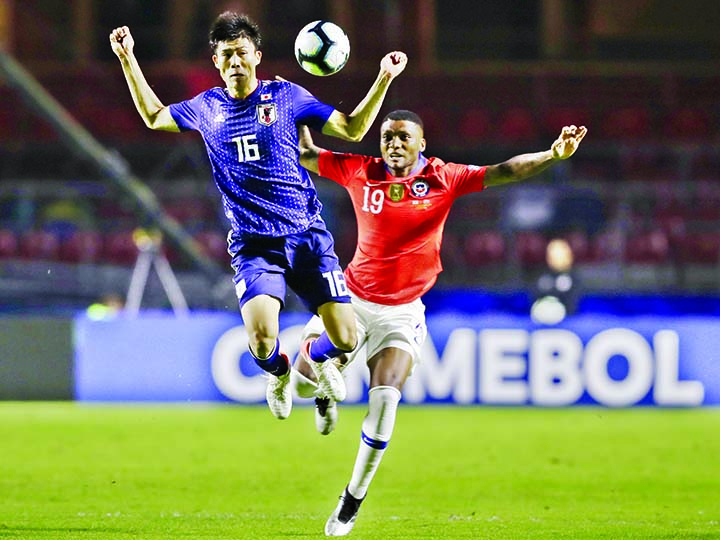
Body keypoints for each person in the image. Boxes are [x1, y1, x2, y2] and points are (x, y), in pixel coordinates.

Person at [292, 110, 587, 536]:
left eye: (403, 137)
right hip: (351, 300)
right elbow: (307, 153)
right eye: (387, 136)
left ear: (422, 144)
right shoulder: (360, 170)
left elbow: (503, 171)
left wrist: (552, 155)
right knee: (301, 385)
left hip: (402, 310)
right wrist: (301, 108)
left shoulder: (443, 178)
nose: (393, 144)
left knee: (385, 401)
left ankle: (352, 499)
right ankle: (322, 384)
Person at [109, 12, 408, 420]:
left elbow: (352, 130)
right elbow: (154, 115)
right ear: (216, 61)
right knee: (263, 339)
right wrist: (127, 57)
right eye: (227, 54)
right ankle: (280, 373)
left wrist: (383, 78)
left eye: (242, 53)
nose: (235, 61)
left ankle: (314, 358)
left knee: (346, 338)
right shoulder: (205, 107)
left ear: (257, 56)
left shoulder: (288, 97)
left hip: (307, 236)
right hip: (254, 244)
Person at [530, 237, 580, 324]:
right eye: (552, 253)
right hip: (542, 322)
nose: (556, 257)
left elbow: (574, 302)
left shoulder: (574, 278)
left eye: (560, 253)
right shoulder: (542, 276)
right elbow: (534, 297)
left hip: (568, 322)